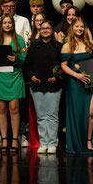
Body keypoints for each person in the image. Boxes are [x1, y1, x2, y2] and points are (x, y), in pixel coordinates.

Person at [60, 17, 93, 154]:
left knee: (91, 112)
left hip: (90, 81)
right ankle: (78, 141)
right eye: (77, 26)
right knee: (79, 113)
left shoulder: (88, 43)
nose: (79, 29)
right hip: (75, 83)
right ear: (72, 28)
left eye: (81, 26)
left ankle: (89, 140)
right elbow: (63, 66)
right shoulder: (67, 45)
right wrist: (76, 75)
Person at [0, 14, 27, 154]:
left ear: (13, 24)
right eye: (5, 23)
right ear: (1, 25)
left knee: (14, 107)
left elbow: (24, 60)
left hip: (14, 76)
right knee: (1, 108)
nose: (7, 25)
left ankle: (15, 139)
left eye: (9, 22)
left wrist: (16, 59)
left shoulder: (19, 40)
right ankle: (4, 139)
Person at [23, 20, 63, 154]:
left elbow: (63, 66)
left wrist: (57, 77)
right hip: (37, 85)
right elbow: (27, 66)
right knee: (41, 116)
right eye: (42, 28)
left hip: (53, 86)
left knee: (52, 116)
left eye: (48, 28)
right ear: (39, 31)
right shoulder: (34, 46)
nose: (45, 30)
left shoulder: (58, 47)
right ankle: (43, 142)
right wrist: (31, 77)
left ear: (52, 30)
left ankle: (52, 143)